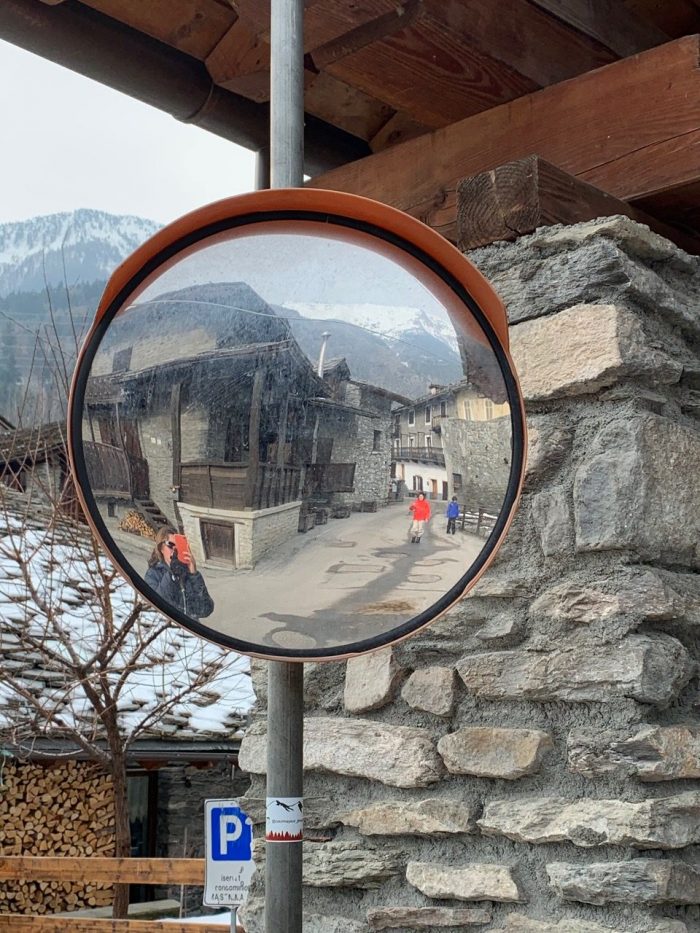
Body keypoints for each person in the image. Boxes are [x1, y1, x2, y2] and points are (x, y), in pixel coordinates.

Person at [145, 527, 214, 620]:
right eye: (170, 545)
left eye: (178, 547)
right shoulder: (153, 574)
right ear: (161, 548)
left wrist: (194, 574)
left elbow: (206, 610)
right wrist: (172, 575)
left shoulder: (188, 573)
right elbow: (156, 606)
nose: (174, 551)